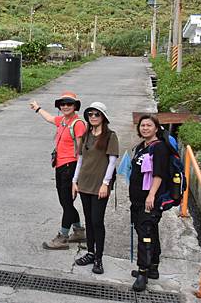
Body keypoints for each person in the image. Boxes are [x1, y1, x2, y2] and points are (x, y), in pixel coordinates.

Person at [29, 91, 87, 250]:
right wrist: (37, 108)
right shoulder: (62, 120)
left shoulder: (78, 123)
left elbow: (82, 151)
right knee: (65, 202)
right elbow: (49, 118)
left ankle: (63, 237)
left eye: (69, 104)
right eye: (62, 104)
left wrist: (78, 175)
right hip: (60, 166)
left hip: (71, 166)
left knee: (67, 202)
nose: (65, 106)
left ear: (75, 106)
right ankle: (79, 231)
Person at [71, 102, 119, 274]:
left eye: (96, 114)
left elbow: (112, 161)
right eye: (90, 114)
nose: (93, 117)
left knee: (97, 221)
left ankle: (99, 258)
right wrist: (74, 181)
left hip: (100, 186)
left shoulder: (110, 136)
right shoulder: (86, 135)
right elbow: (80, 159)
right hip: (84, 183)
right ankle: (90, 252)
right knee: (89, 221)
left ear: (103, 117)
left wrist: (106, 183)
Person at [129, 114, 171, 292]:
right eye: (142, 125)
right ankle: (153, 266)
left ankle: (142, 272)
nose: (145, 128)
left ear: (156, 128)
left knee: (145, 234)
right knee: (150, 230)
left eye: (149, 125)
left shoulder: (159, 148)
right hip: (138, 199)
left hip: (150, 200)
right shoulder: (142, 146)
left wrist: (151, 195)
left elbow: (158, 174)